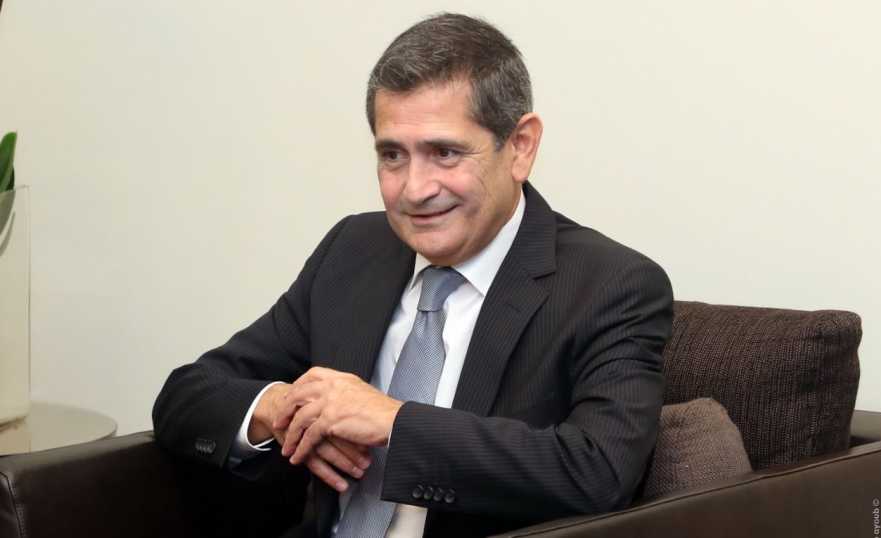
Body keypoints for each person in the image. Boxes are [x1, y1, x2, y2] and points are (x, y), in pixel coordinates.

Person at [153, 12, 673, 538]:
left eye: (444, 153)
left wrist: (393, 422)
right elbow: (188, 395)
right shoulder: (353, 250)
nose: (414, 189)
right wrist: (281, 408)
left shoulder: (611, 285)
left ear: (520, 146)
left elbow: (599, 471)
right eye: (392, 156)